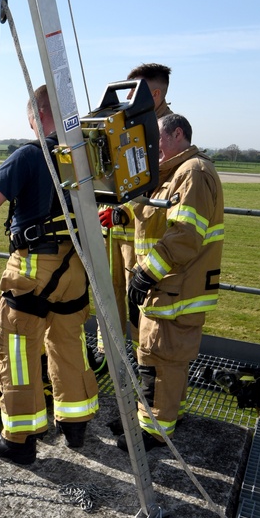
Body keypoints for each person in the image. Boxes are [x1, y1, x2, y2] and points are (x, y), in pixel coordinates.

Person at [0, 86, 98, 466]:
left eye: (30, 117)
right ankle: (75, 426)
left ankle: (18, 439)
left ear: (38, 114)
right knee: (68, 343)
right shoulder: (86, 156)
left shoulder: (29, 155)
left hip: (34, 266)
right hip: (77, 268)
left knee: (15, 348)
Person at [119, 112, 223, 451]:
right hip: (170, 284)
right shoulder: (176, 172)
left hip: (174, 285)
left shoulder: (192, 173)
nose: (153, 148)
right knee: (165, 357)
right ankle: (161, 419)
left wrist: (145, 272)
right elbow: (155, 220)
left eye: (157, 140)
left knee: (160, 360)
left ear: (177, 135)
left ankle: (154, 432)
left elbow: (184, 237)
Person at [98, 63, 175, 344]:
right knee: (108, 294)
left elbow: (160, 182)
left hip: (140, 233)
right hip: (111, 228)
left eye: (135, 92)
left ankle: (141, 363)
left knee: (137, 300)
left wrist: (123, 212)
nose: (127, 98)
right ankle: (109, 354)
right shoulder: (123, 120)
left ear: (155, 95)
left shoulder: (169, 131)